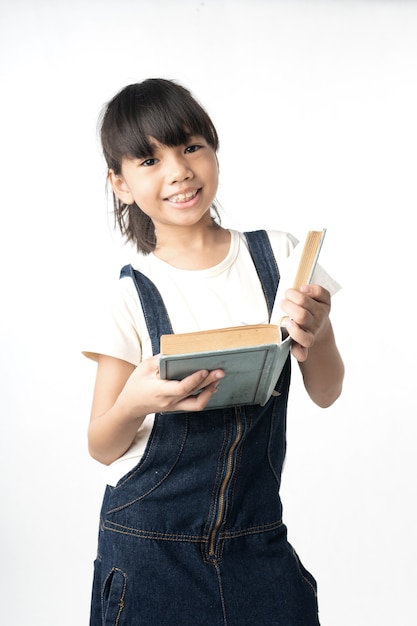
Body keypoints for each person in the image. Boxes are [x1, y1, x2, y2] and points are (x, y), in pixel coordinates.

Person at [84, 78, 344, 626]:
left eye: (190, 147)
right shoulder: (129, 293)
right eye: (149, 160)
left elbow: (327, 389)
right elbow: (103, 446)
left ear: (213, 150)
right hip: (150, 549)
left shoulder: (279, 257)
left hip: (258, 544)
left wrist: (315, 334)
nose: (178, 170)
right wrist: (133, 401)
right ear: (120, 183)